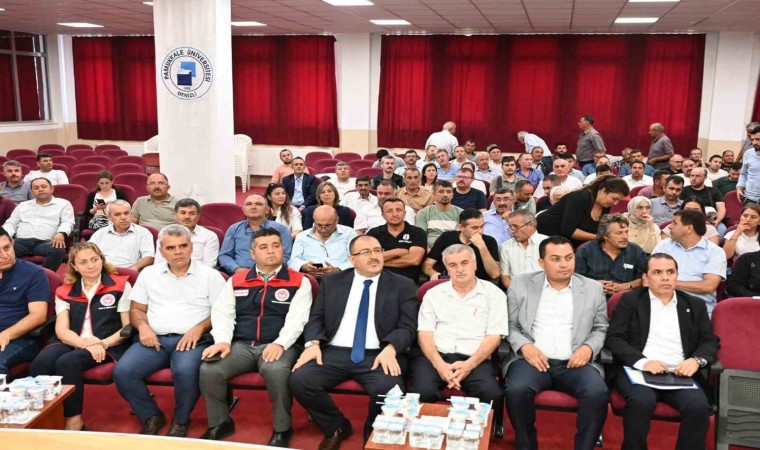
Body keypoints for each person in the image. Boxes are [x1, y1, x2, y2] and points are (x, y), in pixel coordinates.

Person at [289, 235, 419, 449]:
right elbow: (316, 318)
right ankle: (336, 426)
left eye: (377, 250)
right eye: (365, 252)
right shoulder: (332, 281)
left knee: (390, 389)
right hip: (334, 351)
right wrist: (313, 343)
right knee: (300, 380)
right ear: (352, 259)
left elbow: (408, 325)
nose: (374, 256)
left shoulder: (402, 285)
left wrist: (392, 347)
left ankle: (373, 431)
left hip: (379, 353)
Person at [198, 228, 313, 446]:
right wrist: (222, 340)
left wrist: (280, 343)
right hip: (241, 345)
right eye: (264, 247)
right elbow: (223, 313)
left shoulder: (300, 281)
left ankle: (282, 429)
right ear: (252, 254)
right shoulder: (237, 280)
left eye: (276, 246)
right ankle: (220, 422)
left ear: (283, 249)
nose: (271, 251)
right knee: (210, 369)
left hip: (281, 344)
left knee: (275, 370)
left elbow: (298, 319)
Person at [113, 225, 226, 436]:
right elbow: (136, 309)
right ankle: (151, 415)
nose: (178, 252)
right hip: (153, 339)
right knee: (123, 372)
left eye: (183, 246)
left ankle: (180, 420)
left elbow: (222, 313)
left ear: (191, 247)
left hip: (192, 340)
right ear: (162, 251)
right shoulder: (149, 274)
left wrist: (199, 328)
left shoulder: (211, 276)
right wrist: (143, 328)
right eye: (171, 248)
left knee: (185, 371)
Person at [604, 253, 719, 450]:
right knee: (641, 401)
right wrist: (643, 362)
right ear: (646, 278)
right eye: (657, 272)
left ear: (677, 276)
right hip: (638, 371)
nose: (665, 277)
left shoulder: (694, 305)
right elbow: (615, 338)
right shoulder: (630, 301)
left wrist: (696, 361)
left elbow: (709, 340)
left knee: (698, 407)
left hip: (680, 373)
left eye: (670, 272)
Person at [504, 236, 609, 450]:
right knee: (516, 390)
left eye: (569, 258)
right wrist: (524, 346)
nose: (564, 264)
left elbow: (600, 327)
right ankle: (526, 446)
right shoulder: (521, 284)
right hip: (532, 360)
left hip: (575, 362)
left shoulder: (592, 288)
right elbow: (510, 325)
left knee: (597, 392)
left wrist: (588, 348)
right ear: (541, 262)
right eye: (556, 259)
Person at [29, 242, 131, 431]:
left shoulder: (121, 285)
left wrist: (103, 343)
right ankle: (41, 415)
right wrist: (84, 343)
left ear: (102, 259)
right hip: (73, 340)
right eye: (83, 262)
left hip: (108, 343)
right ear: (74, 266)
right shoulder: (65, 290)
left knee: (68, 362)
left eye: (95, 259)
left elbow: (127, 327)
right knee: (42, 362)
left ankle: (74, 419)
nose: (91, 265)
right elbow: (62, 330)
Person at [412, 244, 506, 414]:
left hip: (475, 358)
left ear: (475, 264)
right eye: (453, 265)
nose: (460, 269)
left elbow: (494, 335)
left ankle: (488, 428)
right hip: (435, 356)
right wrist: (440, 365)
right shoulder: (433, 293)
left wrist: (469, 365)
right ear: (446, 269)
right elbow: (425, 332)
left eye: (464, 263)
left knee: (492, 395)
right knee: (421, 392)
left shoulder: (494, 294)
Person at [652, 210, 726, 315]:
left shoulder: (715, 252)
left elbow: (708, 286)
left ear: (689, 228)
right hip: (663, 305)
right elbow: (649, 278)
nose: (670, 227)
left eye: (675, 223)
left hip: (698, 309)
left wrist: (669, 283)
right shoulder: (663, 246)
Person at [0, 227, 49, 374]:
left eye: (7, 248)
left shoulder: (33, 273)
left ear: (13, 243)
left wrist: (6, 334)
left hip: (19, 339)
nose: (5, 255)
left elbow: (38, 315)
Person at [2, 177, 75, 271]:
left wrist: (61, 233)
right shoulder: (23, 205)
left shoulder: (63, 204)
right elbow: (11, 223)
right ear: (32, 192)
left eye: (43, 187)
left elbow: (68, 222)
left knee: (58, 250)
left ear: (51, 189)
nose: (40, 189)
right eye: (36, 188)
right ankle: (9, 276)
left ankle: (45, 276)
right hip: (21, 242)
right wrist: (6, 236)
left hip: (46, 242)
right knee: (3, 247)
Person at [537, 175, 630, 248]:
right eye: (614, 198)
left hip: (569, 243)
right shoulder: (580, 197)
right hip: (545, 236)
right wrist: (600, 238)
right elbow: (569, 230)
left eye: (618, 200)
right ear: (603, 191)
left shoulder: (605, 205)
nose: (616, 203)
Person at [219, 194, 293, 275]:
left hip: (272, 275)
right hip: (239, 275)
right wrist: (236, 269)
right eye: (248, 204)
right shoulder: (234, 229)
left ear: (267, 209)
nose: (253, 207)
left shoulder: (281, 229)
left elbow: (286, 256)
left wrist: (266, 271)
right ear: (243, 209)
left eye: (258, 204)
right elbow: (224, 255)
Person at [575, 214, 647, 295]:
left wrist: (627, 285)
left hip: (625, 297)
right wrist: (595, 284)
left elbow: (645, 278)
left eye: (626, 232)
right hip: (592, 296)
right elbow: (576, 279)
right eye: (619, 233)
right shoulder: (586, 251)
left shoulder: (636, 251)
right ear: (605, 235)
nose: (625, 237)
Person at [423, 209, 499, 281]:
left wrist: (482, 247)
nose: (480, 231)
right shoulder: (446, 237)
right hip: (448, 282)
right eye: (474, 228)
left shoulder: (489, 241)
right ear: (461, 227)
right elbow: (427, 265)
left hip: (477, 284)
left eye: (482, 226)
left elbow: (494, 274)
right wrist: (433, 273)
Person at [366, 197, 427, 282]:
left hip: (407, 281)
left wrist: (379, 261)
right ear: (383, 215)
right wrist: (397, 252)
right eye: (389, 211)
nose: (394, 214)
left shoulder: (417, 232)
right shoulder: (373, 233)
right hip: (378, 280)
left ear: (404, 213)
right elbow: (367, 259)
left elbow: (413, 260)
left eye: (398, 210)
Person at [289, 205, 356, 279]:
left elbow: (356, 258)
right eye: (319, 225)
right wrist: (304, 267)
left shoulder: (349, 233)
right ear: (314, 220)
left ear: (337, 220)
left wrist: (337, 270)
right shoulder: (302, 236)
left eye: (328, 225)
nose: (323, 229)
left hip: (343, 277)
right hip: (310, 279)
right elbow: (293, 261)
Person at [89, 200, 155, 270]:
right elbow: (88, 253)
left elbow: (149, 257)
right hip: (103, 271)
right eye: (117, 214)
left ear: (131, 214)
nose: (123, 217)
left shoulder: (143, 233)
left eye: (126, 213)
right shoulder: (100, 233)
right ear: (109, 217)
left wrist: (134, 268)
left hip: (129, 271)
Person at [154, 198, 219, 267]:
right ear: (175, 215)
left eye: (192, 213)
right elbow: (159, 263)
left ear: (198, 216)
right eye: (183, 213)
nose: (187, 217)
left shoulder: (209, 236)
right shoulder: (165, 235)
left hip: (199, 272)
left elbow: (209, 264)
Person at [499, 210, 547, 289]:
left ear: (530, 225)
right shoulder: (506, 246)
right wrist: (517, 293)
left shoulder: (547, 243)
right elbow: (505, 277)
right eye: (510, 227)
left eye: (516, 227)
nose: (512, 231)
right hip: (516, 291)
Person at [416, 180, 463, 248]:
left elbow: (461, 237)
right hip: (430, 249)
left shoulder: (461, 213)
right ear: (433, 194)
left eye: (449, 192)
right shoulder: (423, 213)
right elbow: (420, 236)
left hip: (453, 250)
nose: (445, 195)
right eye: (441, 191)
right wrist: (428, 251)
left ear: (452, 195)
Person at [737, 124, 760, 205]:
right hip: (750, 198)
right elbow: (743, 173)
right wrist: (739, 187)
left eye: (758, 139)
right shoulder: (748, 153)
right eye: (752, 139)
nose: (754, 142)